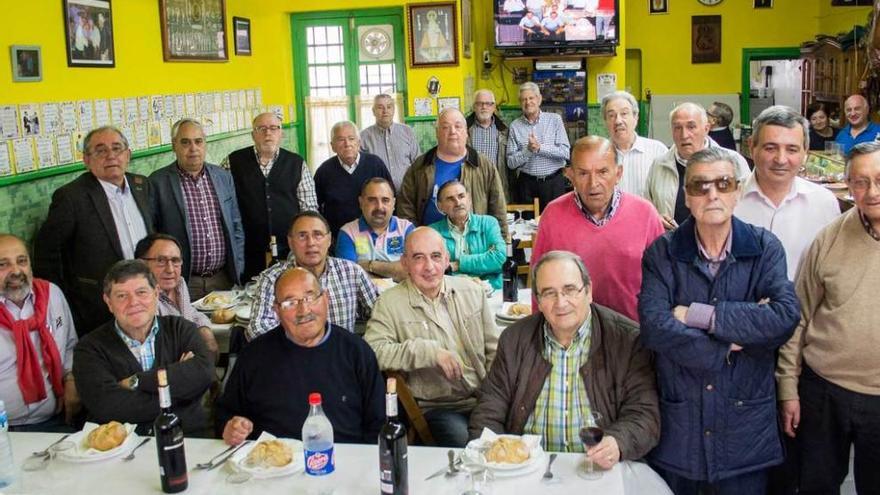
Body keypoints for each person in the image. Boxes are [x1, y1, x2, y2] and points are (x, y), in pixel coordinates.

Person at [639, 147, 800, 494]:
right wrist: (731, 342)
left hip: (744, 432)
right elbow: (654, 327)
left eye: (723, 183)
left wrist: (698, 315)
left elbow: (784, 317)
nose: (712, 193)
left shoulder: (764, 247)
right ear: (687, 196)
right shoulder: (662, 252)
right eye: (700, 186)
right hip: (680, 431)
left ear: (738, 191)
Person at [469, 251, 659, 462]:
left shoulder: (627, 340)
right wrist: (499, 459)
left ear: (588, 291)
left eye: (570, 290)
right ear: (538, 301)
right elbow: (489, 408)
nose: (561, 302)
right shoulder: (514, 340)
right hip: (528, 468)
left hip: (600, 468)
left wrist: (618, 442)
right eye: (549, 293)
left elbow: (645, 413)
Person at [776, 141, 880, 494]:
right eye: (861, 182)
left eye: (879, 179)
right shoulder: (829, 239)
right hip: (823, 391)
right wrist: (788, 388)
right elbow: (799, 317)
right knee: (816, 486)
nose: (872, 191)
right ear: (848, 186)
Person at [217, 268, 384, 445]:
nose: (303, 310)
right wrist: (231, 428)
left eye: (310, 297)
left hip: (344, 461)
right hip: (273, 464)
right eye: (290, 303)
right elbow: (225, 414)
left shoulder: (356, 352)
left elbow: (379, 423)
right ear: (277, 311)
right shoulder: (254, 355)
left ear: (326, 299)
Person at [364, 227, 498, 447]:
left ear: (446, 259)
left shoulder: (472, 291)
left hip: (484, 398)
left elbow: (494, 350)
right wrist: (428, 352)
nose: (429, 267)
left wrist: (496, 398)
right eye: (418, 258)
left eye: (436, 256)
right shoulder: (389, 303)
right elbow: (373, 351)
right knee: (469, 445)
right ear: (404, 262)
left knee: (515, 434)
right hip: (439, 407)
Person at [73, 260, 215, 436]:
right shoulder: (89, 349)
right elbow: (107, 406)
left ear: (156, 293)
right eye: (122, 296)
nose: (134, 302)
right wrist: (182, 392)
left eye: (141, 292)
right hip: (122, 451)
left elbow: (204, 374)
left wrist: (137, 381)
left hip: (188, 439)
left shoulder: (181, 329)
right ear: (108, 302)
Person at [34, 126, 152, 336]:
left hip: (145, 299)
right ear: (86, 160)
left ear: (128, 154)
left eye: (117, 148)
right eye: (100, 150)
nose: (111, 156)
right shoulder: (71, 197)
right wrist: (64, 305)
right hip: (97, 309)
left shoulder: (142, 185)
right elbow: (47, 256)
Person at [532, 136, 663, 322]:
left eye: (602, 172)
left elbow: (663, 282)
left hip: (634, 336)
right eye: (583, 173)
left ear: (618, 174)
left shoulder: (646, 214)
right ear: (570, 176)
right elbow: (539, 283)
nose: (593, 183)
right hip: (572, 337)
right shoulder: (552, 215)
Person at [735, 106, 840, 280]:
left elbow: (833, 271)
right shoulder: (727, 201)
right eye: (770, 148)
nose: (781, 159)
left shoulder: (824, 203)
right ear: (752, 146)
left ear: (805, 151)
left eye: (792, 149)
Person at [149, 118, 245, 299]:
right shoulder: (157, 182)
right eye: (185, 142)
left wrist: (237, 267)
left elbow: (236, 225)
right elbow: (152, 235)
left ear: (205, 143)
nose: (193, 148)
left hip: (223, 278)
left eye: (198, 141)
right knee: (188, 328)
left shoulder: (223, 177)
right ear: (174, 145)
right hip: (183, 281)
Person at [247, 211, 378, 340]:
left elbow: (381, 314)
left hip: (339, 357)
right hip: (290, 357)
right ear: (290, 242)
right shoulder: (272, 278)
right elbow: (257, 328)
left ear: (329, 240)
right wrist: (303, 345)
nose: (311, 243)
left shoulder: (351, 272)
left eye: (318, 235)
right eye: (302, 236)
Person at [225, 112, 319, 282]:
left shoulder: (296, 163)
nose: (268, 133)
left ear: (281, 134)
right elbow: (222, 205)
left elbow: (309, 211)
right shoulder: (232, 162)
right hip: (248, 250)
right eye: (262, 128)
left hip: (289, 251)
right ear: (253, 134)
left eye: (274, 128)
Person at [0, 234, 79, 431]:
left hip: (60, 419)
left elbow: (71, 345)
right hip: (6, 432)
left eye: (22, 261)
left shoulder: (52, 294)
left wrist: (71, 379)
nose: (16, 271)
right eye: (3, 264)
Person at [398, 108, 508, 237]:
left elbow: (498, 209)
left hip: (476, 246)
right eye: (445, 127)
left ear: (466, 132)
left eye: (458, 126)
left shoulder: (483, 165)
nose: (452, 132)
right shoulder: (420, 166)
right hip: (430, 246)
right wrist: (416, 238)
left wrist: (503, 244)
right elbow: (405, 208)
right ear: (437, 133)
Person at [646, 102, 750, 230]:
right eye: (677, 128)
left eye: (691, 127)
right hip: (672, 246)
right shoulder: (659, 165)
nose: (684, 135)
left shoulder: (734, 162)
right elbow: (647, 208)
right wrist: (656, 218)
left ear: (706, 129)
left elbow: (748, 208)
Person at [134, 233, 219, 361]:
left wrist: (204, 329)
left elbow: (190, 312)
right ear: (141, 264)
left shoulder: (179, 283)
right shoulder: (140, 300)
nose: (170, 269)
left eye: (175, 261)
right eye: (161, 261)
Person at [314, 120, 393, 238]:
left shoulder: (375, 164)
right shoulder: (324, 171)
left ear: (359, 142)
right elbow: (316, 207)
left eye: (351, 138)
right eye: (341, 140)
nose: (347, 144)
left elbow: (391, 198)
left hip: (375, 235)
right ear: (332, 146)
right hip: (338, 237)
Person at [430, 180, 505, 290]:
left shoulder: (488, 223)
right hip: (453, 291)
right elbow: (436, 269)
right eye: (450, 199)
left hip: (492, 290)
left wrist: (457, 265)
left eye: (461, 196)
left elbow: (500, 258)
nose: (458, 202)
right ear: (440, 206)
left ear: (469, 199)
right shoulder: (432, 232)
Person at [507, 82, 571, 210]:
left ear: (539, 99)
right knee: (526, 226)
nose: (528, 102)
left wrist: (540, 148)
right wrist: (528, 151)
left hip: (553, 183)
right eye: (524, 99)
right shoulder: (515, 126)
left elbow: (565, 152)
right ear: (520, 103)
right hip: (527, 185)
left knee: (555, 224)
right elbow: (510, 162)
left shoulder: (555, 120)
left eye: (531, 98)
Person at [335, 178, 413, 281]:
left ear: (394, 203)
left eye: (385, 200)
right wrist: (394, 269)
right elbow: (351, 277)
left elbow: (412, 272)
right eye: (372, 200)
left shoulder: (406, 229)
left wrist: (370, 265)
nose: (379, 207)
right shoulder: (347, 233)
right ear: (361, 202)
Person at [601, 90, 667, 198]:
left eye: (624, 114)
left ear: (636, 117)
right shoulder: (598, 154)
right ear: (605, 121)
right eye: (611, 115)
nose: (618, 121)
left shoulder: (658, 151)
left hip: (648, 214)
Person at [360, 94, 421, 191]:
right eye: (380, 107)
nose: (385, 111)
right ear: (373, 111)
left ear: (394, 109)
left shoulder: (407, 132)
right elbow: (361, 170)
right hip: (379, 197)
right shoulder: (363, 137)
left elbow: (418, 164)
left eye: (389, 107)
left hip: (407, 194)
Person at [467, 89, 513, 201]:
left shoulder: (504, 130)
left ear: (494, 107)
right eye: (480, 103)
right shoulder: (464, 129)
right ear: (474, 106)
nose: (484, 107)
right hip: (472, 185)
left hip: (497, 185)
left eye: (488, 104)